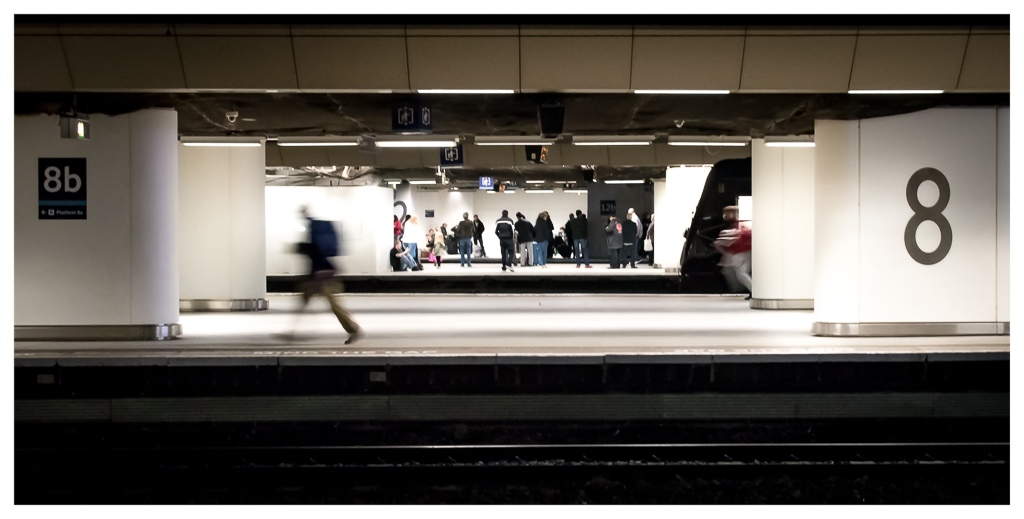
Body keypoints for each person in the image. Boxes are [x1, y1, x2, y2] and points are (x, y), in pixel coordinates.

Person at [293, 206, 363, 345]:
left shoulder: (314, 234)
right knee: (305, 297)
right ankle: (293, 329)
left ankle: (354, 330)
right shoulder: (316, 230)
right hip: (320, 274)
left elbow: (317, 254)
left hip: (324, 276)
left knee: (334, 304)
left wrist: (318, 272)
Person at [714, 206, 753, 298]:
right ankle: (752, 291)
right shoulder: (740, 225)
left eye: (727, 213)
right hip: (744, 251)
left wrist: (720, 244)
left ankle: (753, 291)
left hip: (741, 252)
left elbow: (731, 239)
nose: (725, 215)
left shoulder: (734, 224)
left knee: (741, 273)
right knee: (741, 273)